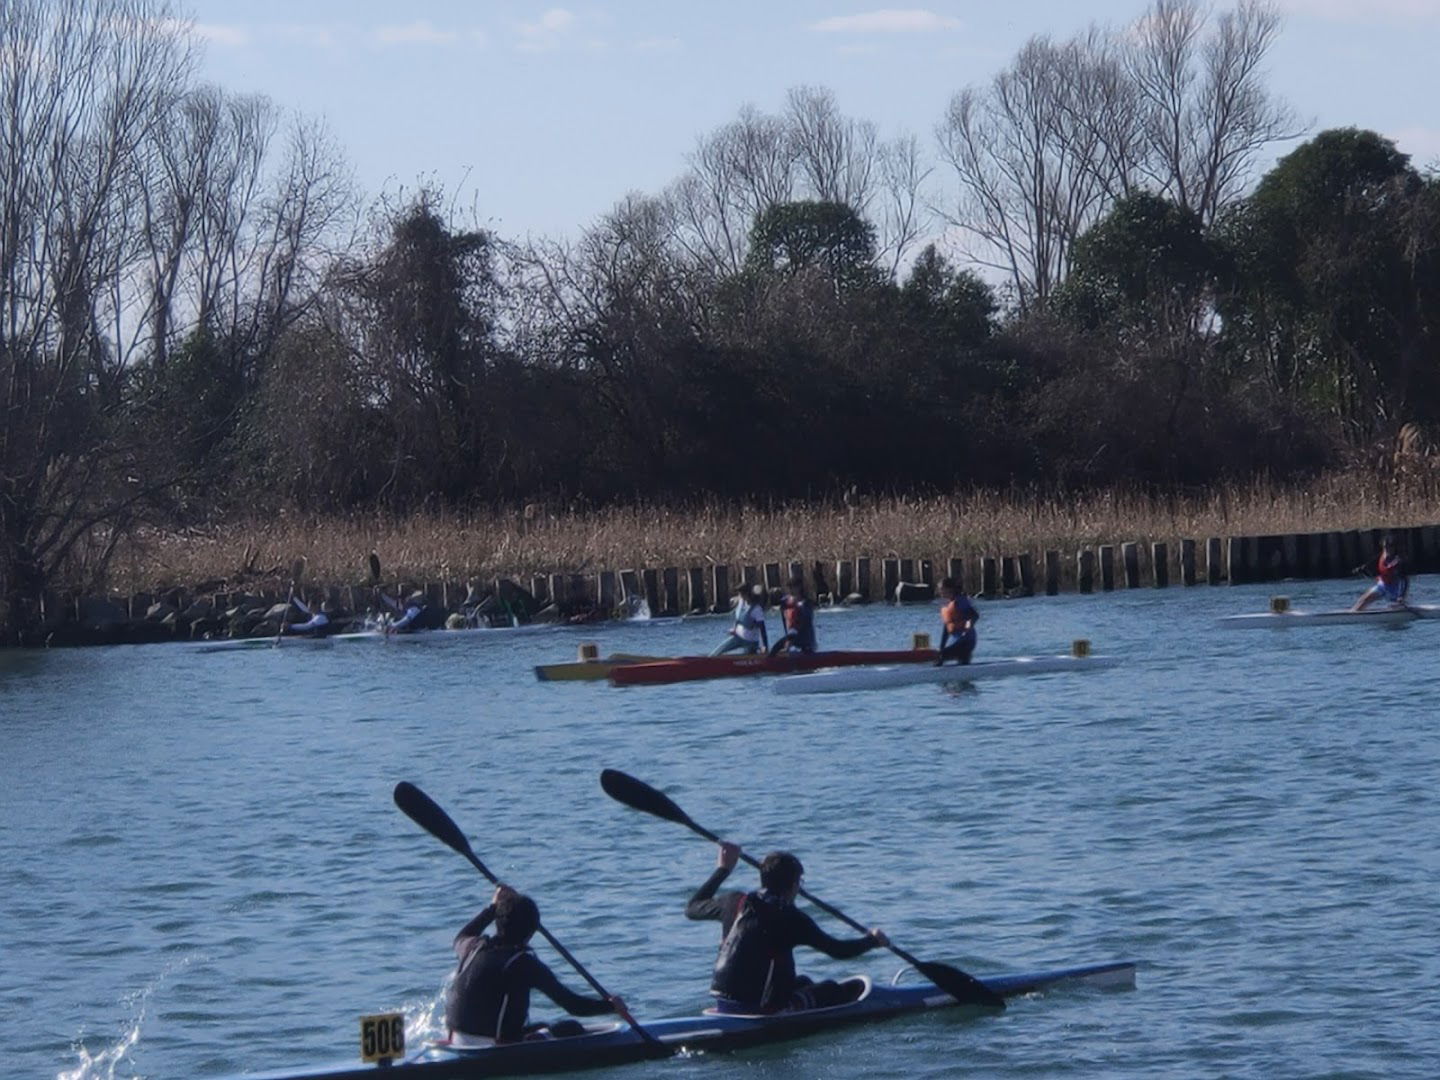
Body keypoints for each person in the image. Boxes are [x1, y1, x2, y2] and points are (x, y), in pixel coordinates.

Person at [685, 842, 887, 1015]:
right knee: (831, 990)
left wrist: (723, 869)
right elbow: (838, 951)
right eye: (799, 883)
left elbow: (692, 908)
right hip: (759, 1010)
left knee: (804, 982)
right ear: (793, 885)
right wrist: (871, 941)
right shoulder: (791, 918)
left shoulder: (732, 901)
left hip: (723, 1002)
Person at [445, 885, 626, 1045]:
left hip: (456, 1041)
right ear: (531, 932)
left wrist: (492, 907)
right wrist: (610, 1006)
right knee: (570, 1028)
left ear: (497, 922)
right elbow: (574, 1006)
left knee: (541, 1027)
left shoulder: (473, 947)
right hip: (497, 1047)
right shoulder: (523, 963)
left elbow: (461, 936)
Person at [1353, 534, 1410, 611]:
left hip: (1394, 590)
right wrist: (1362, 569)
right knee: (1362, 600)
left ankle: (1402, 606)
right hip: (1382, 585)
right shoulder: (1383, 555)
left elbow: (1405, 580)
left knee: (1395, 607)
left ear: (1393, 548)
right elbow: (1372, 564)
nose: (1386, 550)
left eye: (1388, 547)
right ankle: (1353, 614)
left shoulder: (1398, 562)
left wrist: (1402, 596)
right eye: (1384, 547)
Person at [711, 584, 768, 656]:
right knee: (716, 653)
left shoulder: (756, 609)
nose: (739, 595)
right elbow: (738, 619)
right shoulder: (741, 602)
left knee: (746, 658)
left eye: (740, 593)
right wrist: (734, 629)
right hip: (738, 637)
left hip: (750, 642)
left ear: (747, 594)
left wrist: (765, 646)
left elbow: (762, 629)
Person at [768, 576, 817, 656]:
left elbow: (804, 622)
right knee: (774, 649)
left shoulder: (806, 604)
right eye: (789, 588)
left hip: (805, 640)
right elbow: (774, 602)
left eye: (793, 588)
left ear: (799, 588)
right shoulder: (786, 601)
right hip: (791, 637)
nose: (790, 590)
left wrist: (790, 640)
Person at [936, 577, 978, 665]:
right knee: (941, 654)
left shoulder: (960, 601)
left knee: (940, 656)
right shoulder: (948, 607)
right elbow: (946, 629)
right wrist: (941, 647)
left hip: (967, 642)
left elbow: (974, 615)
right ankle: (965, 659)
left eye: (942, 590)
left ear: (950, 589)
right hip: (958, 642)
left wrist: (966, 630)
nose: (940, 592)